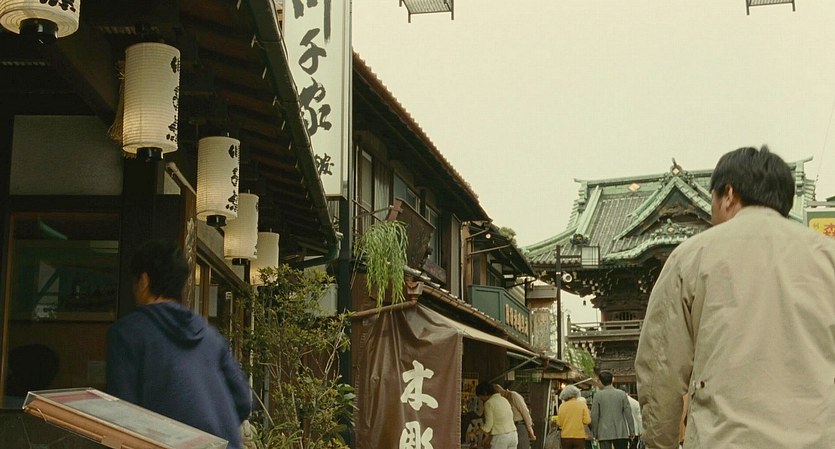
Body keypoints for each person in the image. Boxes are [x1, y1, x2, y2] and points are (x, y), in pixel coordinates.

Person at [635, 146, 835, 449]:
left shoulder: (691, 257)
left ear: (728, 195)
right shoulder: (827, 256)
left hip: (723, 439)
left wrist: (660, 444)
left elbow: (660, 369)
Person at [107, 239, 251, 448]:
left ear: (144, 281)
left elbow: (122, 414)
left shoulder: (129, 333)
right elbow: (243, 400)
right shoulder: (209, 334)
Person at [591, 371, 634, 449]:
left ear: (600, 381)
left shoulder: (598, 396)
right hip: (620, 431)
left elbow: (594, 415)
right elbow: (628, 414)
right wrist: (632, 431)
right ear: (612, 380)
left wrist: (595, 432)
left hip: (604, 432)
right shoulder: (622, 394)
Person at [475, 382, 518, 449]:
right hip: (513, 434)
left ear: (485, 393)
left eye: (481, 397)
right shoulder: (504, 400)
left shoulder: (489, 403)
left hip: (500, 437)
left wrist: (476, 432)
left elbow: (488, 425)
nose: (481, 400)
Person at [495, 383, 536, 449]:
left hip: (519, 426)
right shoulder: (503, 400)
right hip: (509, 428)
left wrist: (530, 430)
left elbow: (525, 412)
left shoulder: (513, 395)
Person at [556, 385, 591, 449]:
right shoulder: (582, 405)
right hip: (579, 436)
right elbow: (587, 421)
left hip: (565, 436)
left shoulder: (562, 406)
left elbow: (559, 423)